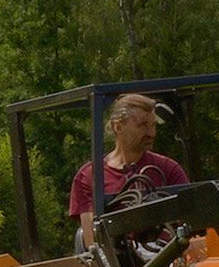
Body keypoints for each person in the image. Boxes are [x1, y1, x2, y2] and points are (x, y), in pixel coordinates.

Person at [70, 92, 189, 240]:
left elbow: (190, 222)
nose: (151, 133)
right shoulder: (88, 177)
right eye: (143, 126)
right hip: (120, 261)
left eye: (153, 126)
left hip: (170, 257)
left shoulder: (168, 169)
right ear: (118, 126)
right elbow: (93, 242)